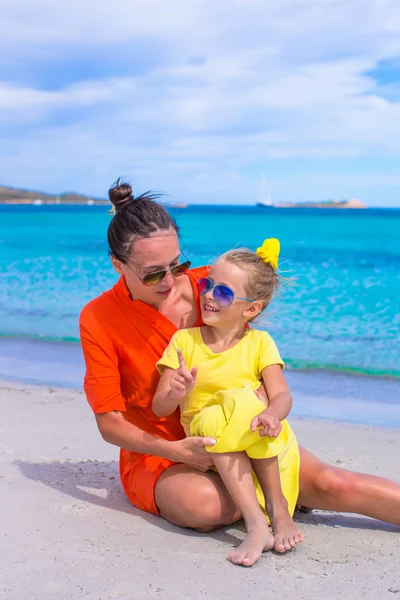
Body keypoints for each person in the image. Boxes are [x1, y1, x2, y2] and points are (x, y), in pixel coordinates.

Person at [80, 180, 400, 558]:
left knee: (335, 483)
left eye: (176, 264)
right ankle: (276, 500)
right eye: (153, 273)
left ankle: (278, 496)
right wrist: (178, 450)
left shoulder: (212, 287)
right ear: (117, 264)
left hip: (242, 435)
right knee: (201, 505)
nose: (170, 281)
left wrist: (266, 399)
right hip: (165, 455)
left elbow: (252, 339)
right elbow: (110, 423)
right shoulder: (99, 318)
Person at [152, 239, 304, 566]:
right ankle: (257, 520)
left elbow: (281, 395)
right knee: (213, 416)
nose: (208, 295)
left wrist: (272, 414)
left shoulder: (259, 343)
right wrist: (175, 392)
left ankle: (271, 513)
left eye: (223, 293)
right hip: (207, 442)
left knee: (247, 402)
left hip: (257, 435)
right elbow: (159, 408)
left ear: (251, 309)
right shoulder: (184, 342)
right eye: (208, 285)